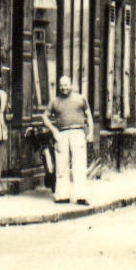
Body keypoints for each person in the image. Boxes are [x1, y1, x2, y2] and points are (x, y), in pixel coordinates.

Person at [42, 75, 93, 205]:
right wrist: (54, 130)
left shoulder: (80, 98)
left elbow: (89, 115)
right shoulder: (54, 101)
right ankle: (62, 195)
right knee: (61, 165)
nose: (64, 88)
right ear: (59, 87)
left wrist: (91, 132)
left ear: (71, 85)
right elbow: (45, 117)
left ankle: (80, 196)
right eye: (62, 85)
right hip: (62, 134)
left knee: (79, 165)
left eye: (66, 85)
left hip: (77, 132)